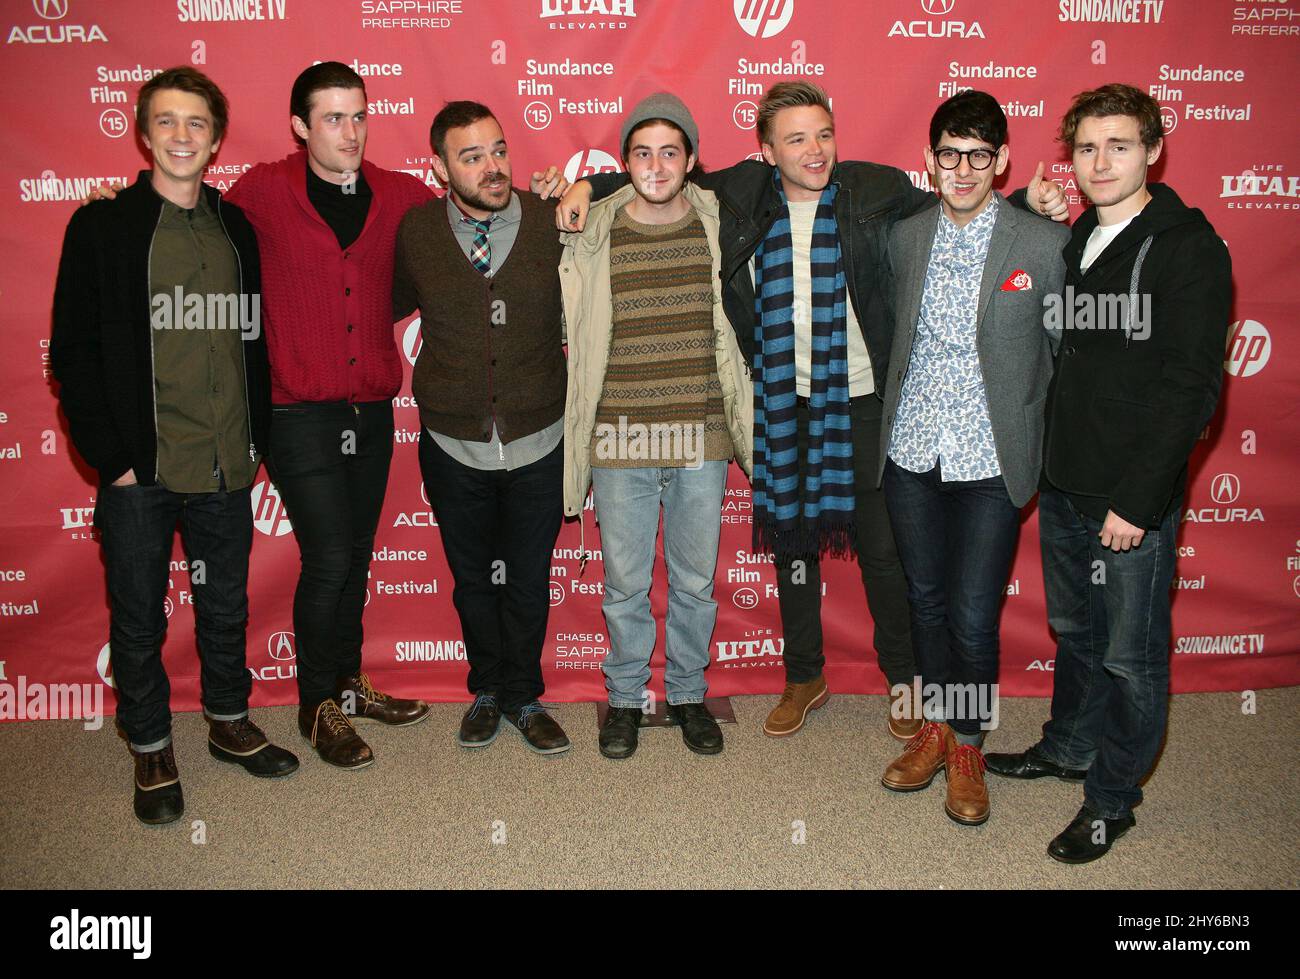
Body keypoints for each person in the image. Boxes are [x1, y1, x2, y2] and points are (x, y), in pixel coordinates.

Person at [558, 82, 1068, 741]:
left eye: (824, 133)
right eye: (796, 138)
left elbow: (961, 209)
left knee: (886, 552)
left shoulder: (874, 190)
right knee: (792, 547)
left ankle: (905, 678)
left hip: (864, 401)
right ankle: (804, 675)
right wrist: (584, 189)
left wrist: (1028, 201)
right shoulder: (742, 194)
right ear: (767, 150)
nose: (815, 149)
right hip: (780, 400)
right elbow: (659, 171)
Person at [984, 84, 1232, 863]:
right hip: (1065, 482)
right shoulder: (1079, 231)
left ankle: (1113, 798)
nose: (1100, 161)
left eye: (1119, 145)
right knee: (1078, 633)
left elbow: (1191, 388)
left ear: (1153, 150)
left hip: (1130, 499)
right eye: (1087, 147)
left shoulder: (1187, 245)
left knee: (1131, 654)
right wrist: (1032, 206)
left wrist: (1139, 498)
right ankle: (1069, 747)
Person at [51, 67, 298, 824]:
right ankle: (151, 741)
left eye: (197, 123)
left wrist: (256, 439)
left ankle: (227, 719)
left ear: (217, 139)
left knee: (224, 602)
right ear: (144, 132)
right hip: (142, 467)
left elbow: (251, 341)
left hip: (225, 458)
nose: (183, 136)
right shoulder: (102, 227)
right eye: (167, 122)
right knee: (138, 614)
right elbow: (74, 350)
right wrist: (113, 458)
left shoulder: (235, 229)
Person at [876, 91, 1069, 827]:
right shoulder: (906, 238)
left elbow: (1063, 354)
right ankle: (934, 725)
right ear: (929, 161)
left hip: (991, 453)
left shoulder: (1043, 244)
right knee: (924, 598)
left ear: (1004, 161)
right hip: (913, 446)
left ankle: (967, 745)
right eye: (949, 155)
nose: (962, 169)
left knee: (972, 611)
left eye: (979, 156)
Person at [559, 93, 753, 759]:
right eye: (642, 152)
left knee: (696, 583)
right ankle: (624, 699)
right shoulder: (593, 227)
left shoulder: (720, 220)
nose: (657, 164)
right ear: (625, 162)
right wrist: (583, 186)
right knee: (625, 586)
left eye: (671, 150)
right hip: (620, 440)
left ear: (692, 159)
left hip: (700, 438)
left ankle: (690, 693)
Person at [393, 102, 571, 754]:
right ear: (439, 166)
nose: (492, 166)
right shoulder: (413, 232)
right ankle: (488, 688)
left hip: (538, 440)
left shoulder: (555, 219)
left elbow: (630, 202)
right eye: (471, 156)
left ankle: (524, 694)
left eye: (498, 149)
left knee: (525, 579)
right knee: (474, 581)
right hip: (452, 443)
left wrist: (576, 186)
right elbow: (353, 291)